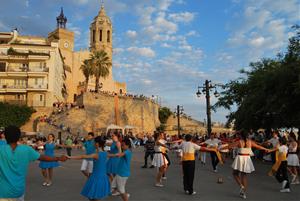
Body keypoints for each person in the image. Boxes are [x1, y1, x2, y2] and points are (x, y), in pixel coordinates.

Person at [0, 126, 67, 201]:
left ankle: (48, 180)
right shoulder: (26, 149)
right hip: (18, 191)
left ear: (5, 136)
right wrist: (59, 158)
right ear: (19, 136)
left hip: (2, 191)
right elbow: (42, 157)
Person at [229, 131, 271, 199]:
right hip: (247, 158)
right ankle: (243, 193)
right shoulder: (250, 142)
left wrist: (221, 147)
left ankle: (241, 186)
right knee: (244, 176)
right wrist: (266, 149)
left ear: (240, 135)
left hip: (240, 158)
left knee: (235, 173)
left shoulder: (239, 141)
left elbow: (229, 146)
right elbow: (258, 147)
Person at [68, 136, 111, 201]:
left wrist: (70, 157)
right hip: (103, 176)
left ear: (97, 144)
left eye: (94, 143)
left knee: (93, 196)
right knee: (94, 196)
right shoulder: (105, 153)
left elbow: (82, 156)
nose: (93, 144)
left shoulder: (96, 154)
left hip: (96, 177)